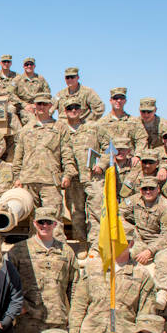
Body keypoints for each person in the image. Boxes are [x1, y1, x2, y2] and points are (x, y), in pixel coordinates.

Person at [68, 226, 156, 333]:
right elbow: (79, 303)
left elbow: (146, 312)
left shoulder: (141, 274)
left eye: (124, 242)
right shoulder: (94, 268)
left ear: (131, 244)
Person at [7, 207, 79, 333]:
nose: (45, 226)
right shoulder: (20, 250)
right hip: (29, 319)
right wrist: (19, 306)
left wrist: (74, 326)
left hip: (56, 320)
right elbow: (7, 283)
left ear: (56, 224)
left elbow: (75, 288)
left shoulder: (66, 252)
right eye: (41, 222)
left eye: (49, 222)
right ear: (34, 223)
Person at [11, 93, 77, 234]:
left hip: (50, 181)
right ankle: (36, 252)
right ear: (34, 106)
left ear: (50, 106)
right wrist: (17, 177)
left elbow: (67, 153)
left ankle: (58, 250)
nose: (41, 107)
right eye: (39, 104)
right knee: (34, 220)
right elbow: (18, 157)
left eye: (45, 104)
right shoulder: (26, 130)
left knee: (54, 218)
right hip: (29, 179)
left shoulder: (60, 128)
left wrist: (68, 174)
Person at [57, 97, 110, 245]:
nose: (73, 111)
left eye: (76, 108)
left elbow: (110, 147)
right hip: (72, 179)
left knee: (96, 211)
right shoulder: (61, 130)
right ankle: (82, 243)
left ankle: (97, 245)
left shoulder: (94, 127)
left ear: (81, 110)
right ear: (64, 111)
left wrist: (102, 164)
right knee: (76, 213)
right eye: (69, 108)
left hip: (93, 177)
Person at [120, 176, 167, 264]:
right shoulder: (135, 199)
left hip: (164, 245)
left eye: (151, 188)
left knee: (162, 260)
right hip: (140, 241)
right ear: (140, 190)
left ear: (158, 189)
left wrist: (149, 251)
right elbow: (118, 211)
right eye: (144, 189)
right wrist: (124, 223)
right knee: (123, 256)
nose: (148, 192)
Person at [97, 87, 148, 158]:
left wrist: (137, 156)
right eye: (115, 98)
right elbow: (97, 144)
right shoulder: (101, 123)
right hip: (109, 162)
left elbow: (142, 140)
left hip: (129, 161)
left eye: (121, 98)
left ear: (125, 101)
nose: (118, 101)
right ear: (110, 100)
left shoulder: (134, 122)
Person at [11, 58, 50, 125]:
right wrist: (24, 105)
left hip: (38, 106)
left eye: (31, 64)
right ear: (23, 66)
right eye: (26, 64)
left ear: (34, 66)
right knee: (31, 119)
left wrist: (37, 105)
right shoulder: (17, 80)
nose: (29, 66)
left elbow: (47, 94)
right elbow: (11, 94)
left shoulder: (41, 79)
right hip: (23, 108)